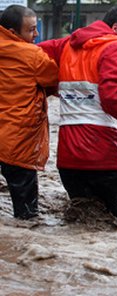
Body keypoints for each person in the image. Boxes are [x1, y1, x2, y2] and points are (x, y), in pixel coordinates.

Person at [38, 6, 117, 231]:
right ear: (116, 29)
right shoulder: (116, 47)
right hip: (105, 154)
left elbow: (27, 55)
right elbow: (113, 97)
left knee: (81, 227)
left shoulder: (66, 45)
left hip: (69, 158)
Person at [0, 5, 59, 219]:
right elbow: (54, 79)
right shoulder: (32, 55)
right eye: (32, 30)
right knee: (27, 216)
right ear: (14, 33)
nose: (37, 35)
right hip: (18, 142)